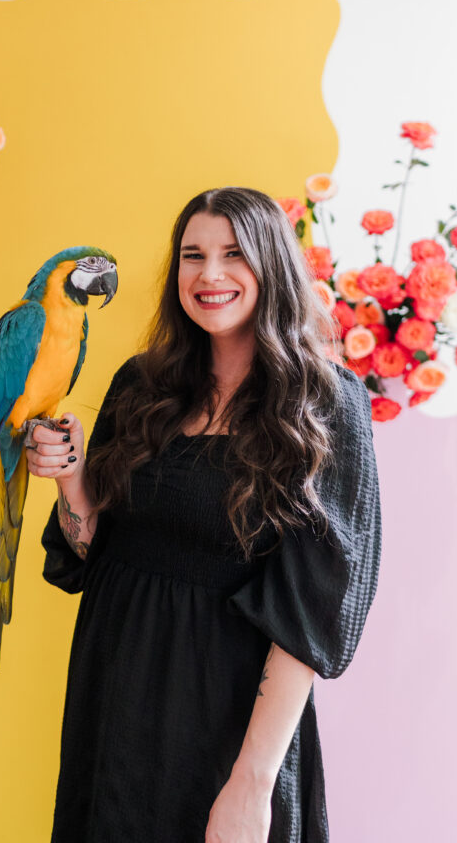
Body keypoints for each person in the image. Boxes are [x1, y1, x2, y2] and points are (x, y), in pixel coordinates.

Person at [28, 186, 382, 843]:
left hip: (228, 717)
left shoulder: (326, 403)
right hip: (115, 693)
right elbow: (90, 550)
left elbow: (309, 618)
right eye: (192, 255)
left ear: (270, 266)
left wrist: (251, 784)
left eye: (232, 254)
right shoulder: (142, 383)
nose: (209, 275)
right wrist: (71, 481)